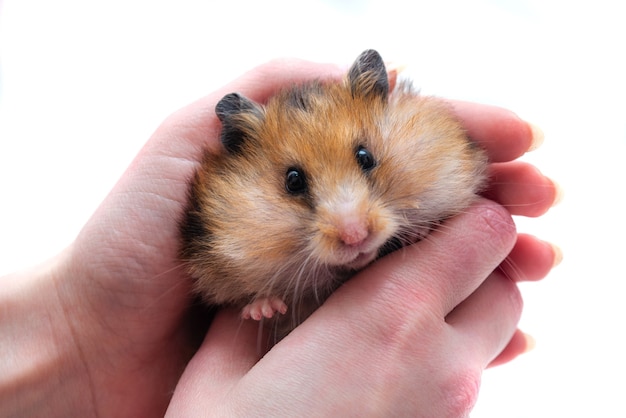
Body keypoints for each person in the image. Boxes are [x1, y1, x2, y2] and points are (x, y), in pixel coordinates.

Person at [0, 58, 561, 418]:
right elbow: (211, 270)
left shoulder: (416, 138)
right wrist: (252, 296)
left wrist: (72, 340)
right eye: (295, 183)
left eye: (365, 160)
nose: (352, 230)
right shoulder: (222, 212)